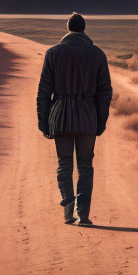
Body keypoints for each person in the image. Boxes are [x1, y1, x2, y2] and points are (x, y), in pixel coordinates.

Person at [36, 12, 112, 226]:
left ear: (68, 28)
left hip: (60, 116)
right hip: (87, 116)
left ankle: (68, 211)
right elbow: (105, 92)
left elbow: (43, 92)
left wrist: (44, 121)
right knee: (86, 166)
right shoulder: (97, 54)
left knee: (64, 164)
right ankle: (84, 215)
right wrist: (100, 122)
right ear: (84, 28)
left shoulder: (53, 53)